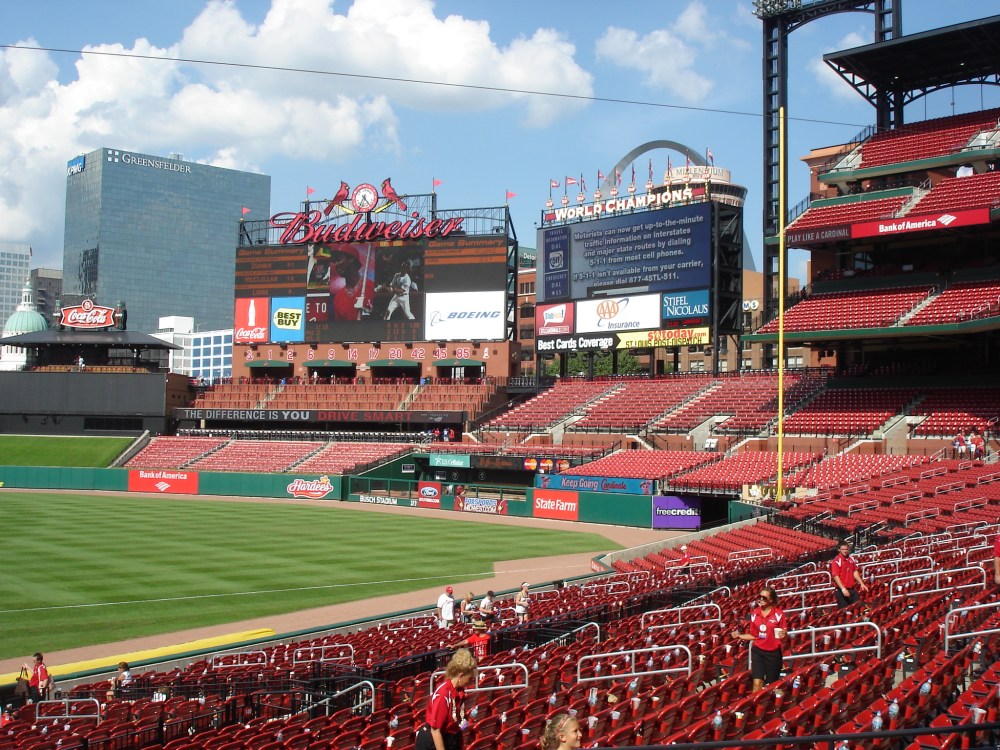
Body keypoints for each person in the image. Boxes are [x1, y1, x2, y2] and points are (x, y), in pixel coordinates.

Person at [414, 648, 477, 750]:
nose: (470, 682)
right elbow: (435, 730)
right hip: (433, 741)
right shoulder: (443, 694)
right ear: (460, 676)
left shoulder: (459, 690)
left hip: (451, 737)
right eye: (469, 678)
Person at [732, 586, 787, 692]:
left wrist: (784, 634)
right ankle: (753, 707)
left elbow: (783, 638)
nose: (761, 599)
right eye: (760, 597)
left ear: (771, 600)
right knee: (757, 683)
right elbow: (754, 635)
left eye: (764, 598)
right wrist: (740, 636)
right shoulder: (754, 614)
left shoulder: (779, 614)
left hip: (773, 653)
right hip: (758, 652)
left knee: (771, 686)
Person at [329, 245, 374, 321]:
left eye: (339, 260)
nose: (336, 265)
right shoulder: (338, 297)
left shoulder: (372, 287)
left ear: (351, 258)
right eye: (334, 261)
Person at [831, 541, 869, 608]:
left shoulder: (851, 559)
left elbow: (855, 572)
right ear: (839, 550)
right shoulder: (836, 561)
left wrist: (861, 583)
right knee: (845, 612)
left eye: (846, 549)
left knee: (858, 608)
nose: (845, 551)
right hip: (841, 591)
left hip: (851, 589)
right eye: (843, 549)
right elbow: (836, 576)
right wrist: (843, 589)